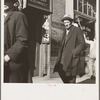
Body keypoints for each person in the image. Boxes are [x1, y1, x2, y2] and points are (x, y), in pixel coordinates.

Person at [4, 0, 31, 83]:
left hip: (13, 64)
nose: (4, 3)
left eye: (7, 1)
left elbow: (23, 40)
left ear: (13, 3)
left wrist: (7, 57)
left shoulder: (19, 15)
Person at [53, 15, 85, 83]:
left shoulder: (77, 30)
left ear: (71, 22)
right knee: (61, 72)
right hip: (62, 58)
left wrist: (74, 52)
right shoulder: (64, 31)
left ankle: (71, 90)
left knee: (71, 77)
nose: (66, 24)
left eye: (67, 22)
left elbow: (82, 44)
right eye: (65, 23)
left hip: (72, 58)